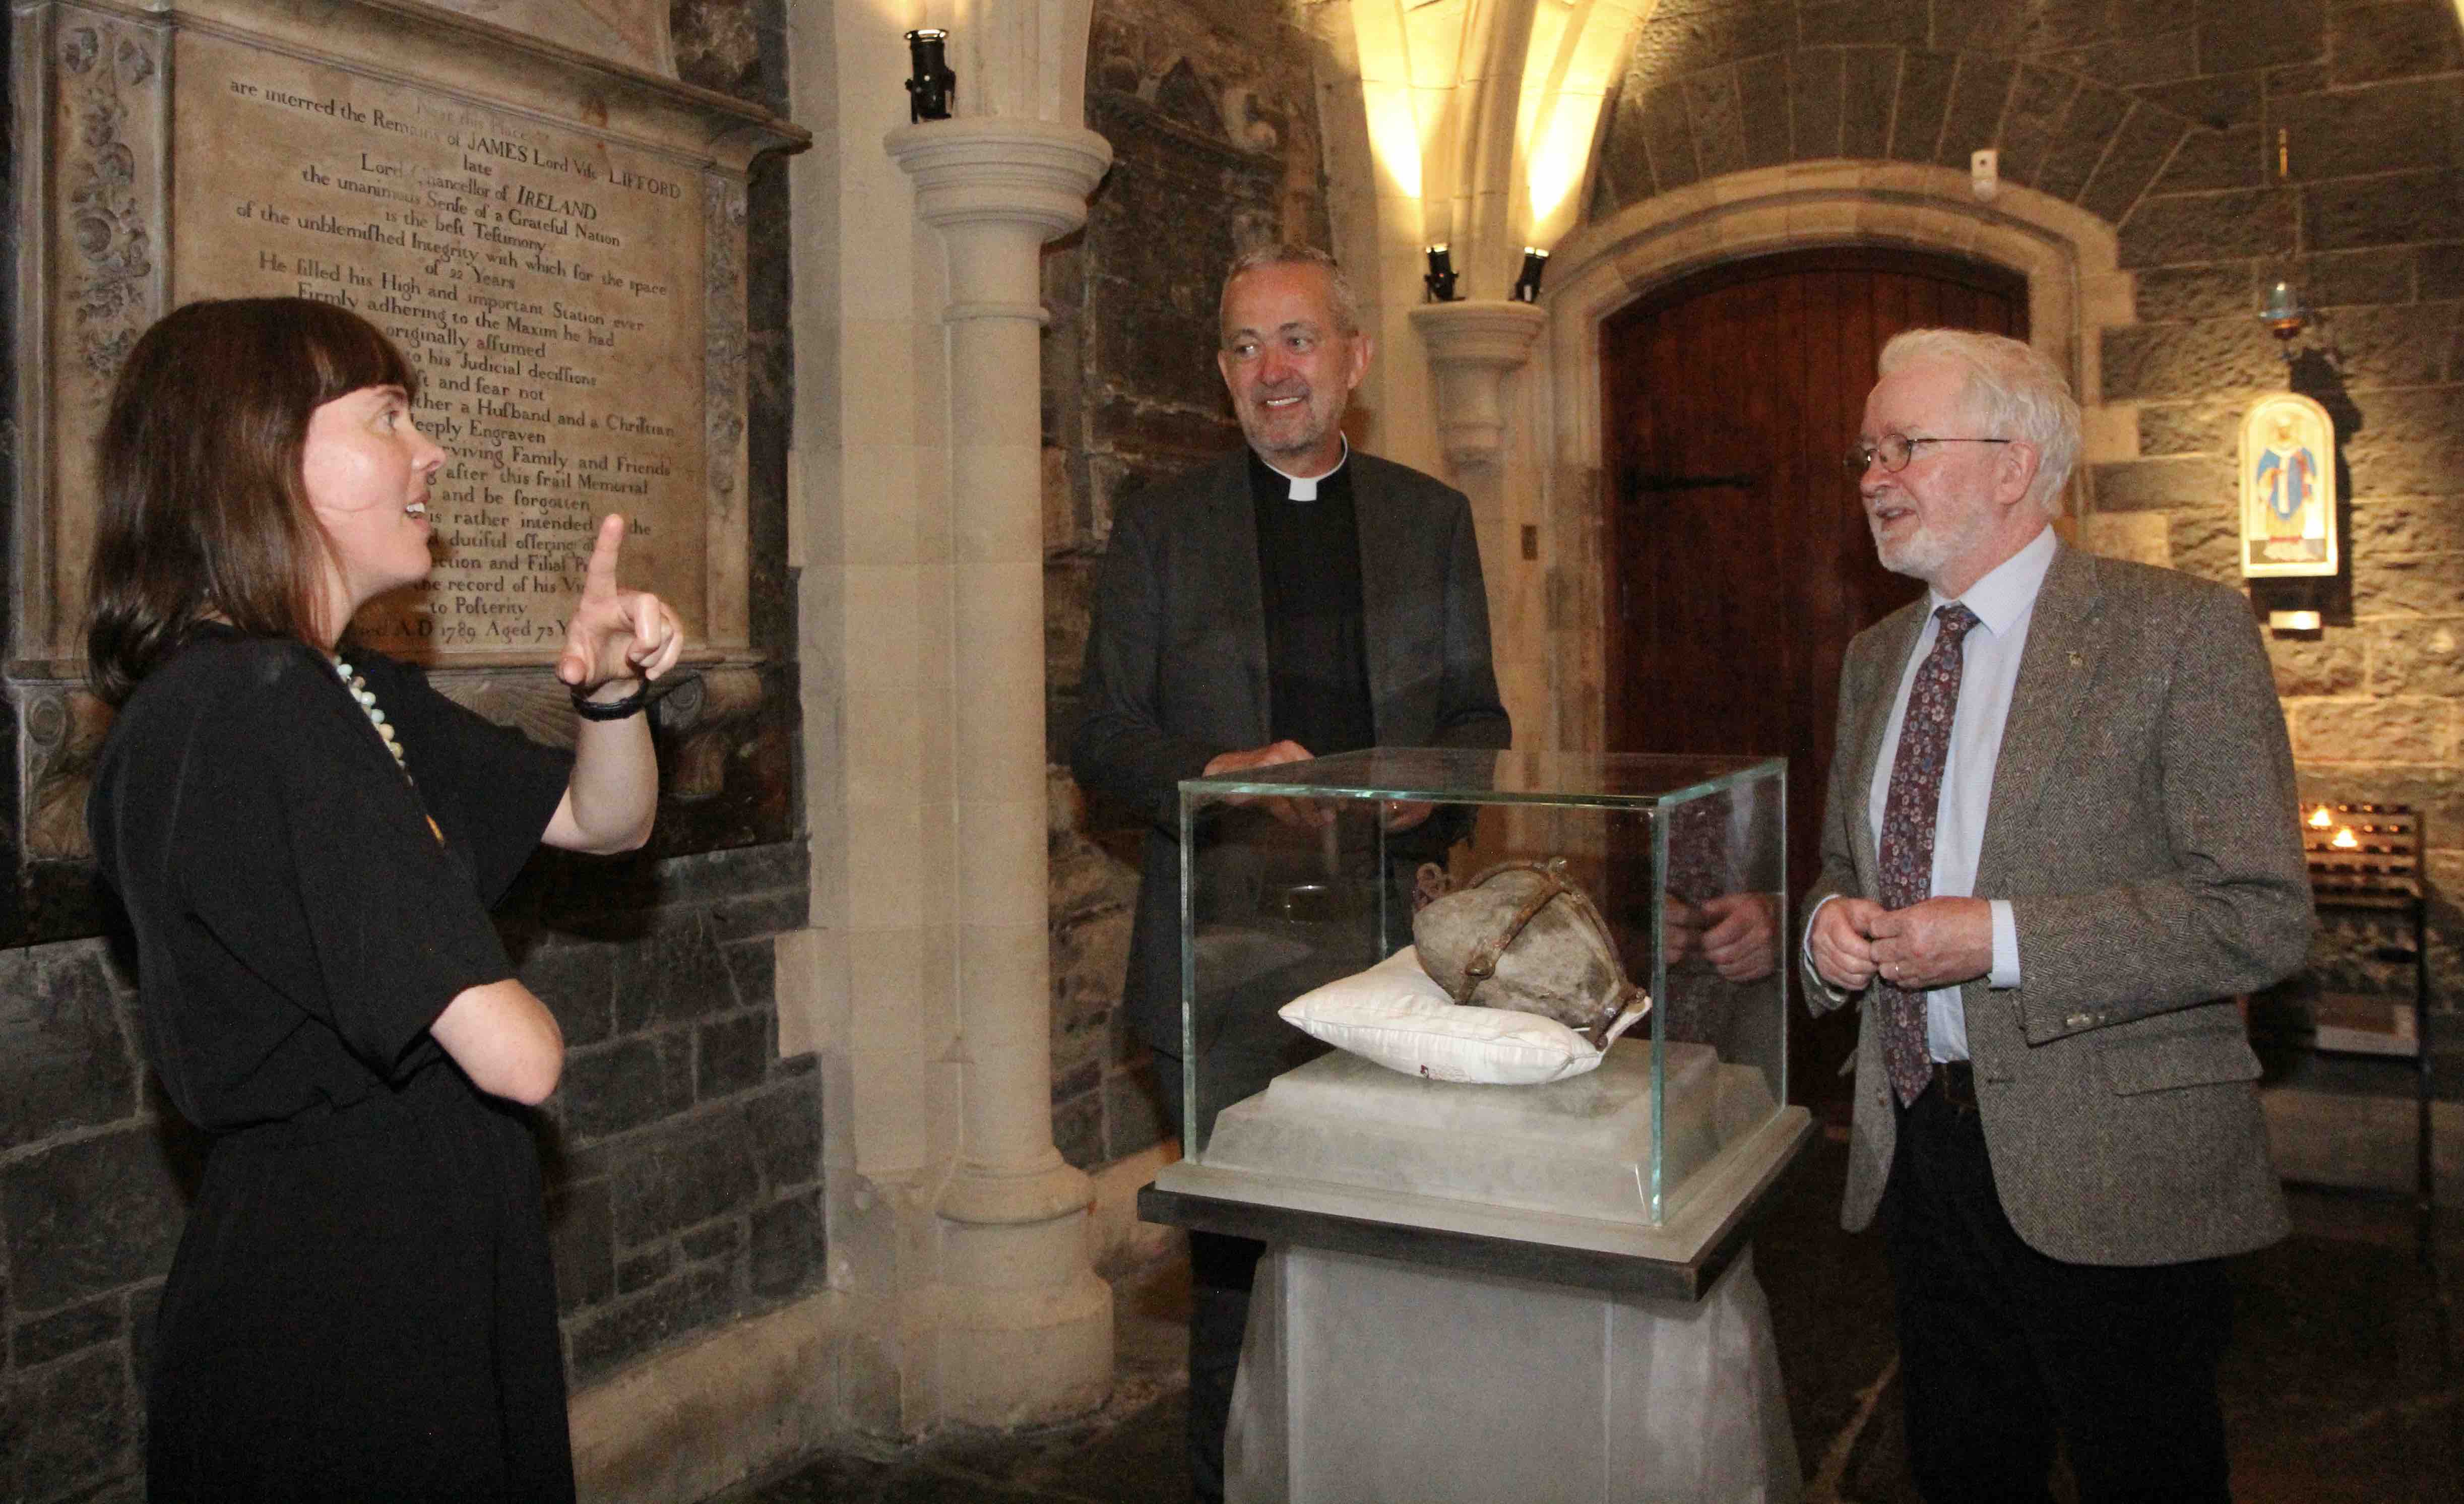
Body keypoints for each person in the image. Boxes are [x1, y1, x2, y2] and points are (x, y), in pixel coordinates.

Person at [84, 297, 683, 1501]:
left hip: (392, 1263)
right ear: (259, 454)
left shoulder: (330, 686)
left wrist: (610, 695)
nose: (431, 451)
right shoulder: (259, 700)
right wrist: (439, 912)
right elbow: (519, 1056)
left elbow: (602, 820)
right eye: (389, 418)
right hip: (347, 1303)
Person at [1802, 328, 2314, 1503]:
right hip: (1925, 1150)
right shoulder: (1878, 657)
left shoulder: (2177, 633)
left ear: (2016, 464)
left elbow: (2261, 914)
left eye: (1907, 447)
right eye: (1867, 452)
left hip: (2115, 1163)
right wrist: (1828, 933)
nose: (1876, 477)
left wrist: (2002, 938)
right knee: (1965, 1470)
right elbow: (1845, 862)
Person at [1069, 243, 1509, 1500]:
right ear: (1221, 372)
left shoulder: (1432, 520)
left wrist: (1439, 788)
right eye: (1247, 346)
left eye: (1300, 340)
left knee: (1398, 1248)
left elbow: (1480, 722)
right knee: (1239, 1276)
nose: (1275, 372)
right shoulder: (1164, 526)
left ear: (1355, 361)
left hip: (1391, 946)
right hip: (1222, 955)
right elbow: (1100, 733)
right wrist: (1221, 766)